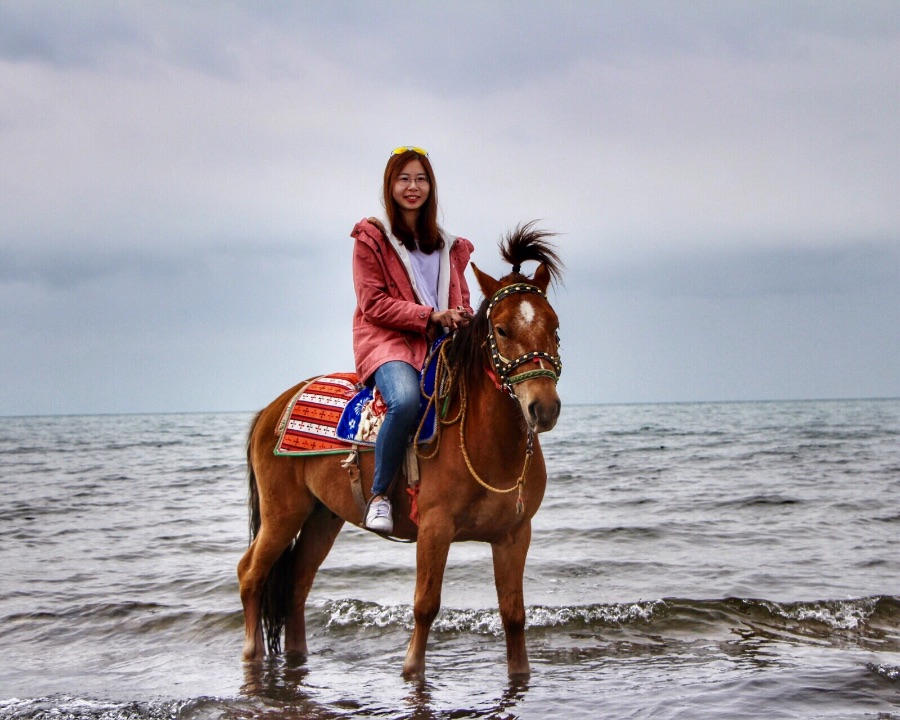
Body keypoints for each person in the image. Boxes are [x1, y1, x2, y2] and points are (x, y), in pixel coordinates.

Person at [351, 146, 474, 533]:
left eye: (421, 179)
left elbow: (462, 299)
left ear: (431, 187)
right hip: (389, 342)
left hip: (441, 345)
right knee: (404, 400)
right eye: (403, 179)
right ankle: (380, 496)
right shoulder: (372, 238)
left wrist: (463, 317)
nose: (412, 187)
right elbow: (372, 303)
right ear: (390, 186)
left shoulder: (449, 246)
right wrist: (430, 315)